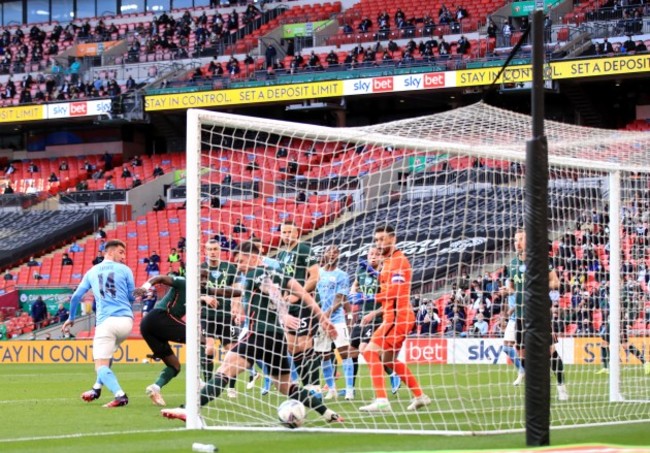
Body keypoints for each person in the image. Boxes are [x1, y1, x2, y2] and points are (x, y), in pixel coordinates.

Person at [161, 241, 342, 424]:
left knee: (224, 371)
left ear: (254, 257)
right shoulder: (280, 273)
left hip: (259, 333)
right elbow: (305, 294)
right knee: (286, 386)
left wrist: (283, 313)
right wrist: (324, 320)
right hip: (277, 338)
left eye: (241, 261)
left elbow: (270, 289)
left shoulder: (257, 272)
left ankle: (188, 410)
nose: (238, 266)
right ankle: (328, 414)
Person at [138, 272, 242, 406]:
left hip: (149, 327)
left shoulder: (202, 290)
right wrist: (145, 287)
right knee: (200, 339)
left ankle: (155, 388)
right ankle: (198, 380)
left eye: (206, 278)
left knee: (174, 366)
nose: (204, 280)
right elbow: (160, 278)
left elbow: (224, 292)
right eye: (201, 277)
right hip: (160, 317)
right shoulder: (182, 282)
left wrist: (246, 291)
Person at [360, 225, 430, 412]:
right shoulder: (389, 261)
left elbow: (396, 290)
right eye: (376, 240)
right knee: (389, 361)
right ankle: (420, 396)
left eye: (382, 239)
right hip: (394, 316)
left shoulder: (398, 261)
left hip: (398, 317)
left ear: (393, 239)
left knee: (369, 352)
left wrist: (369, 297)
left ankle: (382, 400)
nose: (379, 243)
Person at [62, 239, 136, 408]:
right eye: (121, 252)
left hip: (106, 323)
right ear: (108, 252)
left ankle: (120, 395)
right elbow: (132, 297)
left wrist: (71, 318)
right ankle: (96, 388)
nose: (124, 257)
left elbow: (75, 297)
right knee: (107, 358)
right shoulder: (126, 270)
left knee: (100, 365)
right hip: (126, 322)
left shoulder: (91, 272)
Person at [503, 229, 569, 400]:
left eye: (521, 239)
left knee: (550, 351)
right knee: (522, 353)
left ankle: (561, 386)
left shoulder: (539, 260)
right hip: (520, 315)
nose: (517, 243)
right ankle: (535, 387)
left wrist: (541, 284)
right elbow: (511, 286)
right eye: (515, 239)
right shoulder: (512, 265)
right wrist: (508, 290)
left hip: (539, 313)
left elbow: (555, 282)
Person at [347, 246, 401, 398]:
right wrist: (353, 293)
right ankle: (350, 388)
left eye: (377, 254)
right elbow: (356, 284)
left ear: (381, 257)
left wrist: (373, 313)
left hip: (377, 318)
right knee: (351, 352)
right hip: (363, 317)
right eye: (371, 253)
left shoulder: (384, 275)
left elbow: (389, 303)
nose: (373, 256)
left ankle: (391, 375)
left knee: (366, 350)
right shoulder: (361, 271)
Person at [277, 221, 321, 392]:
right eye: (284, 232)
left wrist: (297, 295)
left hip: (304, 304)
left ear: (297, 233)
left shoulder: (303, 249)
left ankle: (314, 385)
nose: (287, 235)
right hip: (288, 306)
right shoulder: (280, 255)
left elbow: (315, 276)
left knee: (305, 343)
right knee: (292, 346)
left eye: (290, 232)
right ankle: (306, 382)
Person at [313, 245, 353, 400]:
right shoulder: (318, 273)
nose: (332, 254)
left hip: (336, 319)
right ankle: (331, 389)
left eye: (335, 252)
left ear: (338, 256)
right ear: (324, 254)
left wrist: (327, 314)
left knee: (344, 352)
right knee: (323, 355)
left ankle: (349, 389)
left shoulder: (342, 275)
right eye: (329, 251)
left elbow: (341, 298)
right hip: (319, 319)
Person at [200, 239, 239, 396]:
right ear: (205, 251)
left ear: (220, 250)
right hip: (207, 315)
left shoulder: (229, 268)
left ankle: (231, 387)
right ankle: (208, 383)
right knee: (209, 348)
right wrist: (205, 298)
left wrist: (236, 307)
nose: (213, 252)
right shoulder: (200, 268)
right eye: (209, 249)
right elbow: (192, 291)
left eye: (215, 249)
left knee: (232, 351)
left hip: (226, 316)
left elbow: (236, 290)